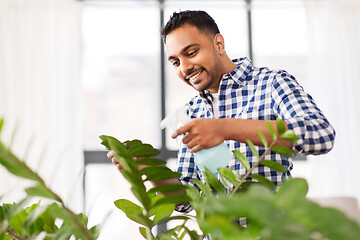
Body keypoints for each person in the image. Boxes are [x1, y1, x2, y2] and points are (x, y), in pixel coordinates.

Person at [109, 10, 335, 213]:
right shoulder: (192, 111)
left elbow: (321, 134)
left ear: (218, 44)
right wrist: (146, 168)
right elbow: (188, 198)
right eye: (175, 62)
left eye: (191, 52)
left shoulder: (272, 83)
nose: (185, 67)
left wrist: (224, 128)